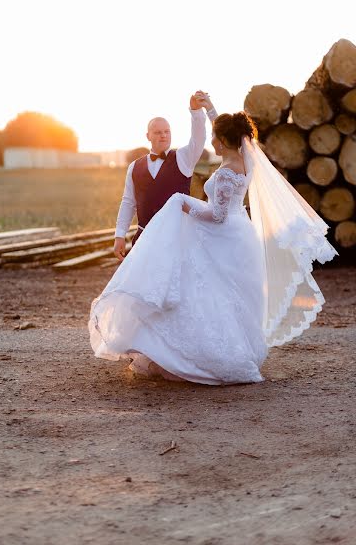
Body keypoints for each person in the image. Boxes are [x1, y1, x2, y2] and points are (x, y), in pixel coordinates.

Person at [89, 96, 337, 385]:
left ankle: (210, 356)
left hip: (222, 234)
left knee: (206, 293)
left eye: (216, 138)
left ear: (223, 140)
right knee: (231, 299)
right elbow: (229, 133)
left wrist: (185, 204)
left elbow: (217, 215)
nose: (213, 143)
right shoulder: (245, 158)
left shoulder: (227, 171)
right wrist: (210, 109)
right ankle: (240, 348)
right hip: (239, 234)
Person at [113, 93, 214, 260]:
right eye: (158, 132)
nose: (164, 135)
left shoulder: (183, 158)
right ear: (148, 136)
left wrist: (196, 112)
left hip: (177, 240)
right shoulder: (134, 167)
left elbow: (198, 138)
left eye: (167, 131)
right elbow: (128, 202)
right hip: (144, 239)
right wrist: (119, 235)